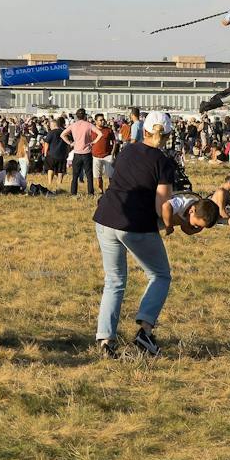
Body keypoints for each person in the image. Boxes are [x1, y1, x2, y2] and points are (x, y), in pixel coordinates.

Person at [90, 111, 178, 358]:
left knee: (114, 281)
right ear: (168, 135)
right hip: (136, 224)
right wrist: (170, 224)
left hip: (106, 217)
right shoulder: (163, 162)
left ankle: (106, 340)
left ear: (144, 130)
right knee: (160, 275)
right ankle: (145, 331)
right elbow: (162, 205)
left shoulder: (127, 151)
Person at [63, 109, 98, 197]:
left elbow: (62, 135)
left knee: (75, 175)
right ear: (85, 116)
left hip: (77, 152)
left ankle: (73, 193)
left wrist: (70, 143)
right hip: (87, 152)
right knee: (89, 175)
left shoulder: (73, 125)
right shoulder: (89, 125)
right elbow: (100, 134)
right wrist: (93, 142)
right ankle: (90, 193)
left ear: (77, 116)